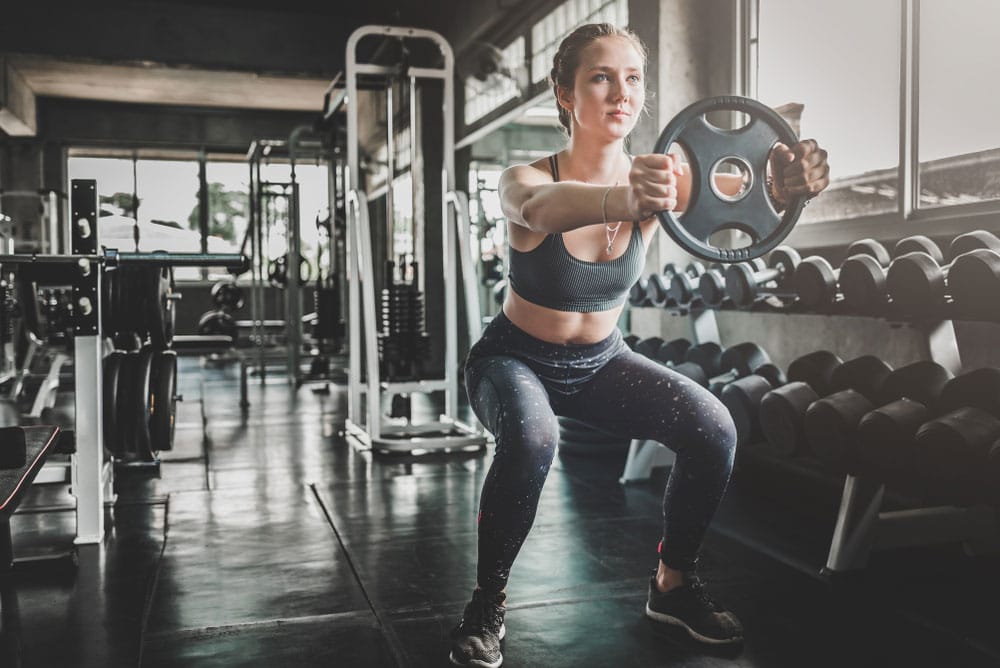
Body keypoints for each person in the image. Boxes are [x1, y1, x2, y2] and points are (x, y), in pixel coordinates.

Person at [449, 22, 830, 668]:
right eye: (600, 78)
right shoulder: (523, 178)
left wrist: (789, 186)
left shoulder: (661, 181)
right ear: (565, 94)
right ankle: (487, 603)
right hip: (514, 359)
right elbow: (539, 211)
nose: (621, 93)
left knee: (713, 427)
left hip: (601, 362)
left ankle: (672, 587)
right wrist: (625, 197)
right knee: (535, 436)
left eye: (632, 79)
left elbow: (742, 194)